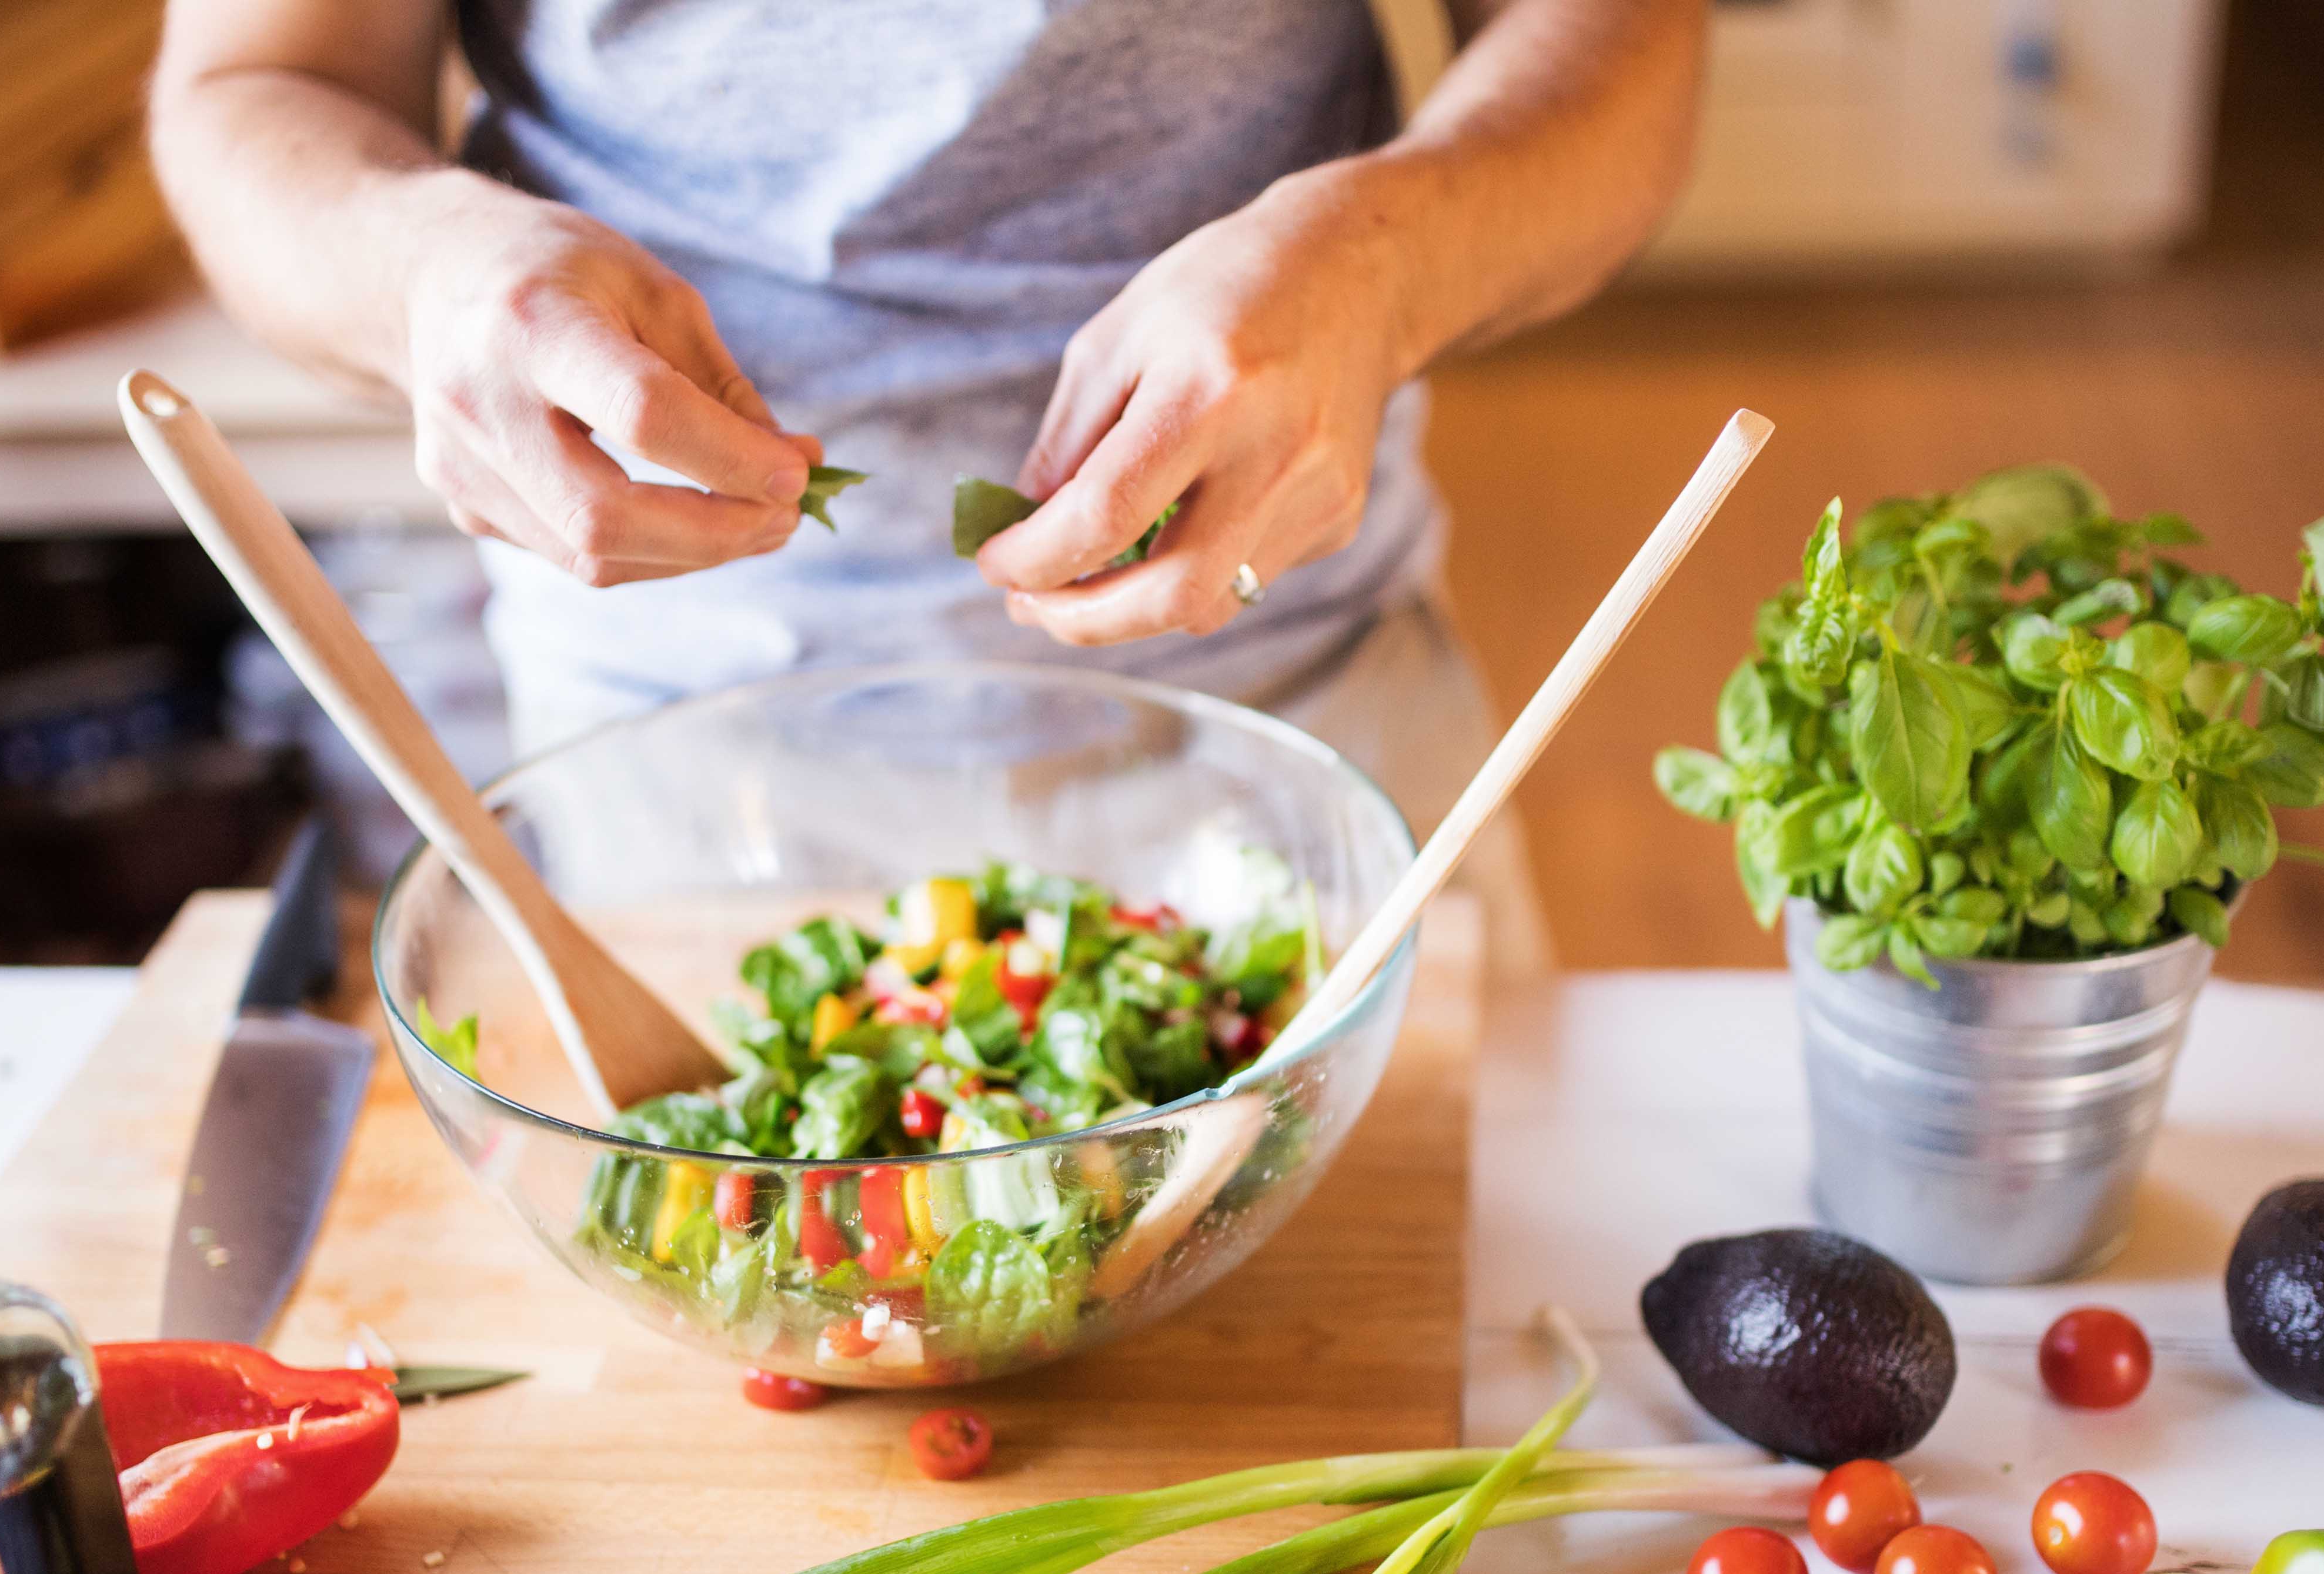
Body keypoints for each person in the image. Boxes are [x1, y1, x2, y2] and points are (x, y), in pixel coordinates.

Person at [149, 0, 1705, 968]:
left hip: (1305, 715)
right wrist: (430, 273)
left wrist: (1387, 259)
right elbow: (252, 88)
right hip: (678, 765)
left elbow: (1629, 41)